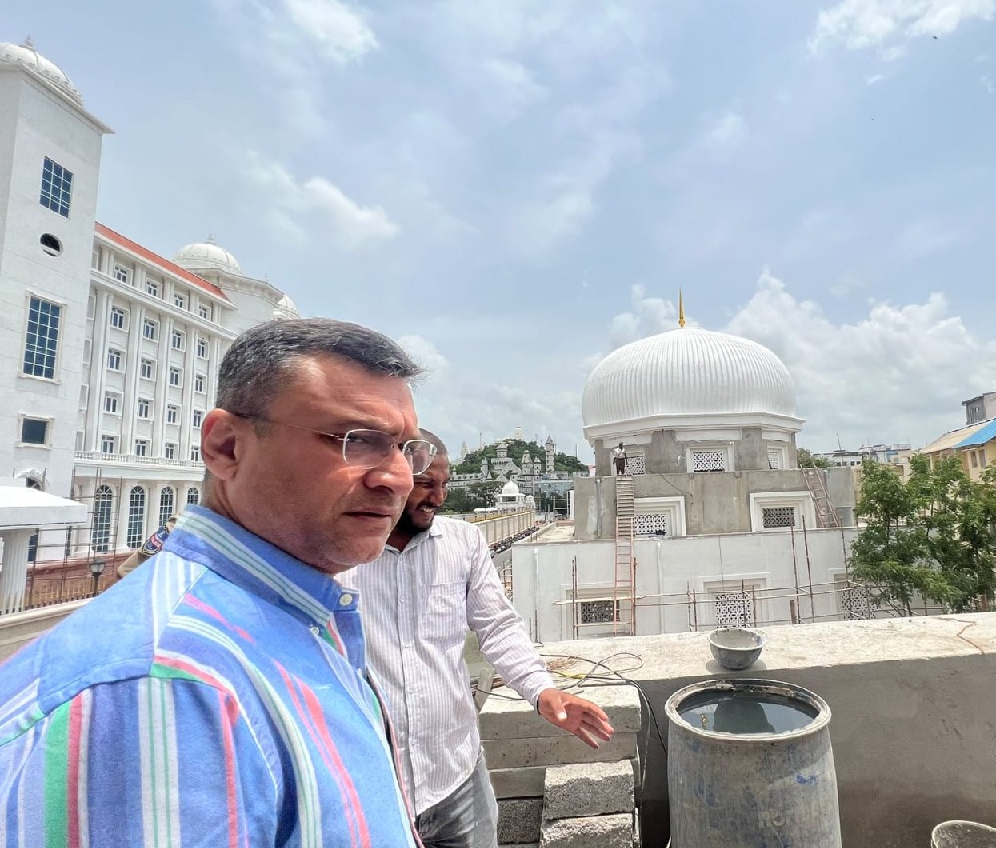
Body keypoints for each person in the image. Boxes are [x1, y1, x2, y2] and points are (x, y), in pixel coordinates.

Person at [0, 318, 433, 846]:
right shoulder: (165, 685)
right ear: (226, 447)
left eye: (407, 450)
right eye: (357, 440)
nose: (397, 479)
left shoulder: (295, 620)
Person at [340, 431, 613, 848]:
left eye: (445, 484)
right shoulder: (341, 554)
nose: (439, 496)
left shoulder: (462, 542)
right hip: (373, 791)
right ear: (392, 476)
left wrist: (543, 692)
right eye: (427, 484)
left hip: (457, 780)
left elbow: (498, 627)